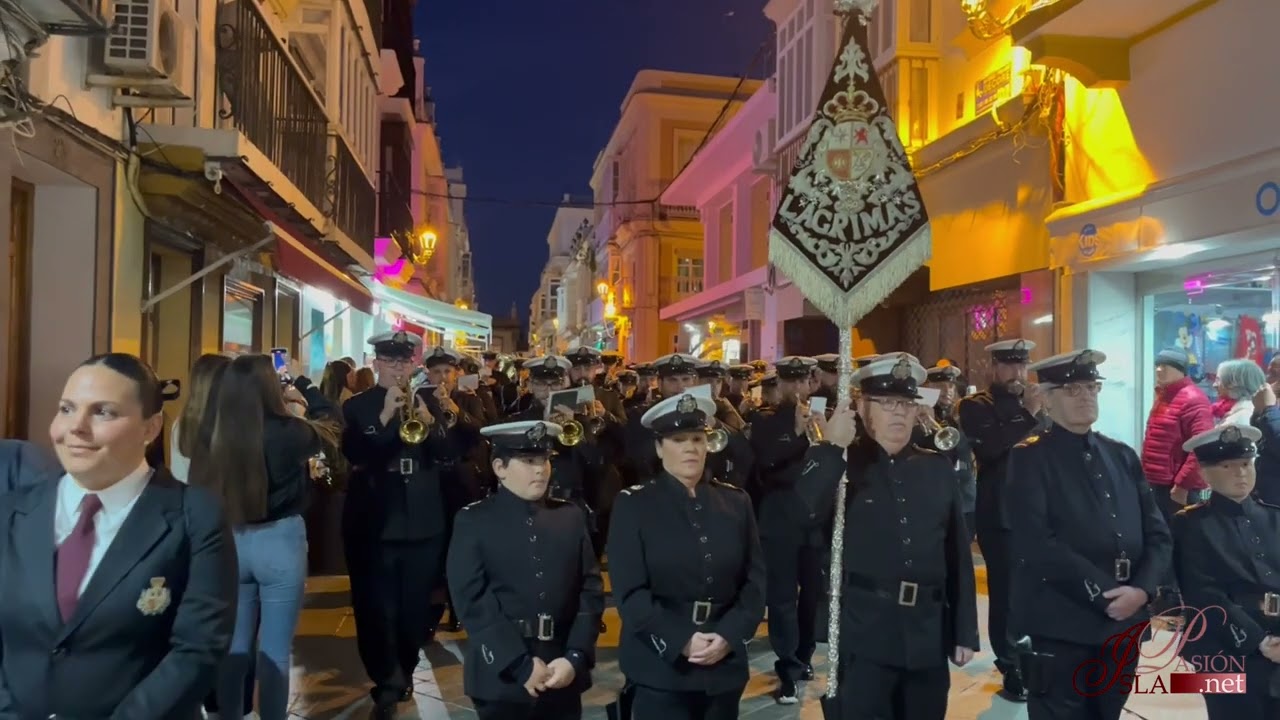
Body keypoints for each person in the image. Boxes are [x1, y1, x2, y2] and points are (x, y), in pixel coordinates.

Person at [0, 353, 237, 718]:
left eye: (103, 412)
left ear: (150, 428)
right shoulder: (12, 511)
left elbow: (198, 649)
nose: (76, 427)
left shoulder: (193, 516)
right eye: (66, 408)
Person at [797, 354, 979, 719]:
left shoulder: (936, 468)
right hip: (867, 630)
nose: (899, 412)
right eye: (887, 403)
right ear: (863, 409)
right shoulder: (845, 464)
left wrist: (964, 630)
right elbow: (803, 514)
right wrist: (831, 448)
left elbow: (957, 553)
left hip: (928, 630)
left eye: (906, 404)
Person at [1006, 349, 1173, 720]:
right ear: (1047, 399)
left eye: (1091, 387)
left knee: (1109, 712)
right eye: (1072, 390)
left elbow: (1158, 534)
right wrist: (1105, 595)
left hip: (1124, 623)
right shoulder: (1030, 458)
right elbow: (1036, 542)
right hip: (1064, 621)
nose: (1086, 396)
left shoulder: (1122, 455)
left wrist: (1141, 590)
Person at [607, 390, 766, 720]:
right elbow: (630, 592)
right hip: (662, 667)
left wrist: (728, 636)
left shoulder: (735, 502)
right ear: (659, 447)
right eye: (679, 440)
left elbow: (754, 581)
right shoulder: (634, 505)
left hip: (724, 664)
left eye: (697, 438)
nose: (691, 447)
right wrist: (680, 640)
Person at [190, 354, 331, 720]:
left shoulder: (212, 429)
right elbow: (332, 422)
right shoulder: (289, 431)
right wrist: (305, 384)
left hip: (231, 540)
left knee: (235, 647)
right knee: (275, 650)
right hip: (280, 542)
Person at [447, 420, 604, 720]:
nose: (540, 469)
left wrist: (575, 657)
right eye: (529, 461)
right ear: (499, 467)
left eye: (545, 460)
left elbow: (590, 590)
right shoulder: (475, 521)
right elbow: (471, 600)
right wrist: (519, 664)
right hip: (502, 674)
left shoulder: (569, 516)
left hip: (562, 668)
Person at [341, 331, 452, 718]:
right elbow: (354, 452)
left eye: (404, 362)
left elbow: (448, 454)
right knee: (376, 608)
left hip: (424, 520)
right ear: (376, 364)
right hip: (376, 520)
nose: (398, 368)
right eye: (390, 362)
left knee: (415, 610)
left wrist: (430, 422)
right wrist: (386, 416)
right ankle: (386, 678)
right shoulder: (358, 406)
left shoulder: (427, 402)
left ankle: (403, 667)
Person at [1172, 424, 1280, 719]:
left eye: (1246, 464)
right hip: (1220, 651)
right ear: (1205, 473)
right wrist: (1259, 640)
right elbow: (1202, 592)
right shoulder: (1190, 525)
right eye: (1227, 466)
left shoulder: (1275, 518)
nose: (1240, 473)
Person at [956, 338, 1042, 700]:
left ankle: (1032, 656)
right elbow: (992, 448)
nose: (1017, 374)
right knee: (1005, 593)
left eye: (1022, 365)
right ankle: (1010, 664)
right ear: (993, 368)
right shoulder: (976, 407)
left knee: (1036, 591)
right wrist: (1030, 415)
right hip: (1000, 512)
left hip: (1037, 511)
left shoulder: (1037, 404)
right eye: (1009, 366)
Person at [747, 355, 821, 703]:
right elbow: (765, 462)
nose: (796, 387)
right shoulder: (765, 420)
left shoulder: (823, 416)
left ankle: (805, 656)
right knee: (781, 599)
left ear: (811, 383)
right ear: (780, 384)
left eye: (802, 381)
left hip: (816, 519)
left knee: (812, 596)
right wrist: (795, 434)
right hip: (778, 519)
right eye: (789, 381)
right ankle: (788, 667)